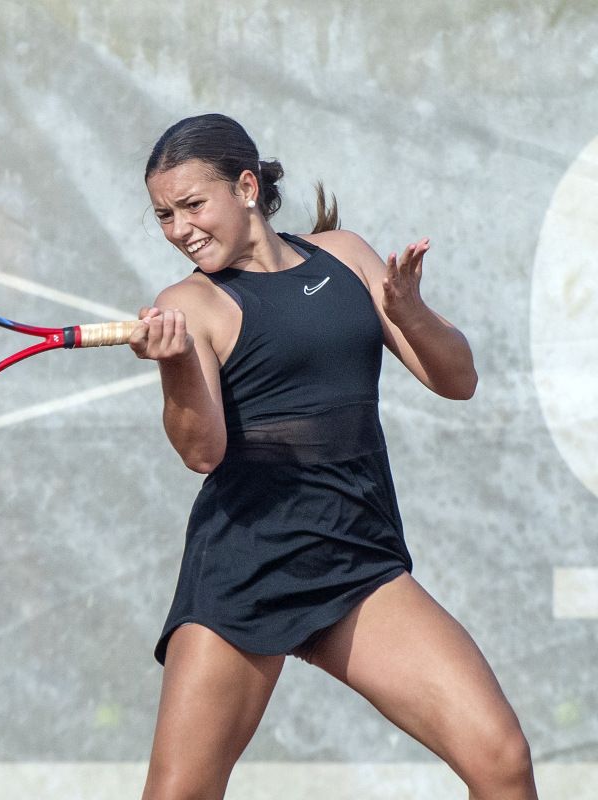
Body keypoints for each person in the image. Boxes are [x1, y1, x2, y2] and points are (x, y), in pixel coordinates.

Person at [127, 114, 537, 800]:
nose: (180, 228)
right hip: (244, 572)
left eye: (193, 204)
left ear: (248, 186)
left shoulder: (343, 255)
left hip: (356, 559)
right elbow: (203, 453)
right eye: (164, 215)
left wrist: (410, 312)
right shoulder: (188, 305)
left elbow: (458, 380)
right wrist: (172, 367)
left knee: (502, 760)